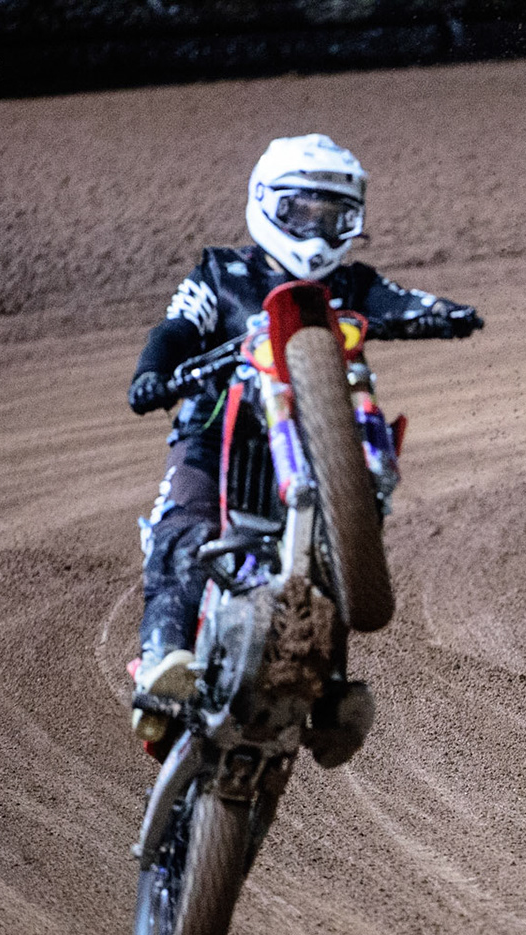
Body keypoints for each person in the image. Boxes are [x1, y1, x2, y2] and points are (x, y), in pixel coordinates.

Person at [126, 133, 482, 747]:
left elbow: (403, 302)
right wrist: (151, 373)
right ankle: (164, 660)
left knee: (331, 548)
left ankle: (331, 686)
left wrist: (448, 312)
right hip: (219, 438)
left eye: (332, 217)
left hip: (322, 445)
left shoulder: (353, 284)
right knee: (182, 525)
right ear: (266, 203)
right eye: (301, 212)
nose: (316, 231)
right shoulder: (222, 273)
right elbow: (176, 327)